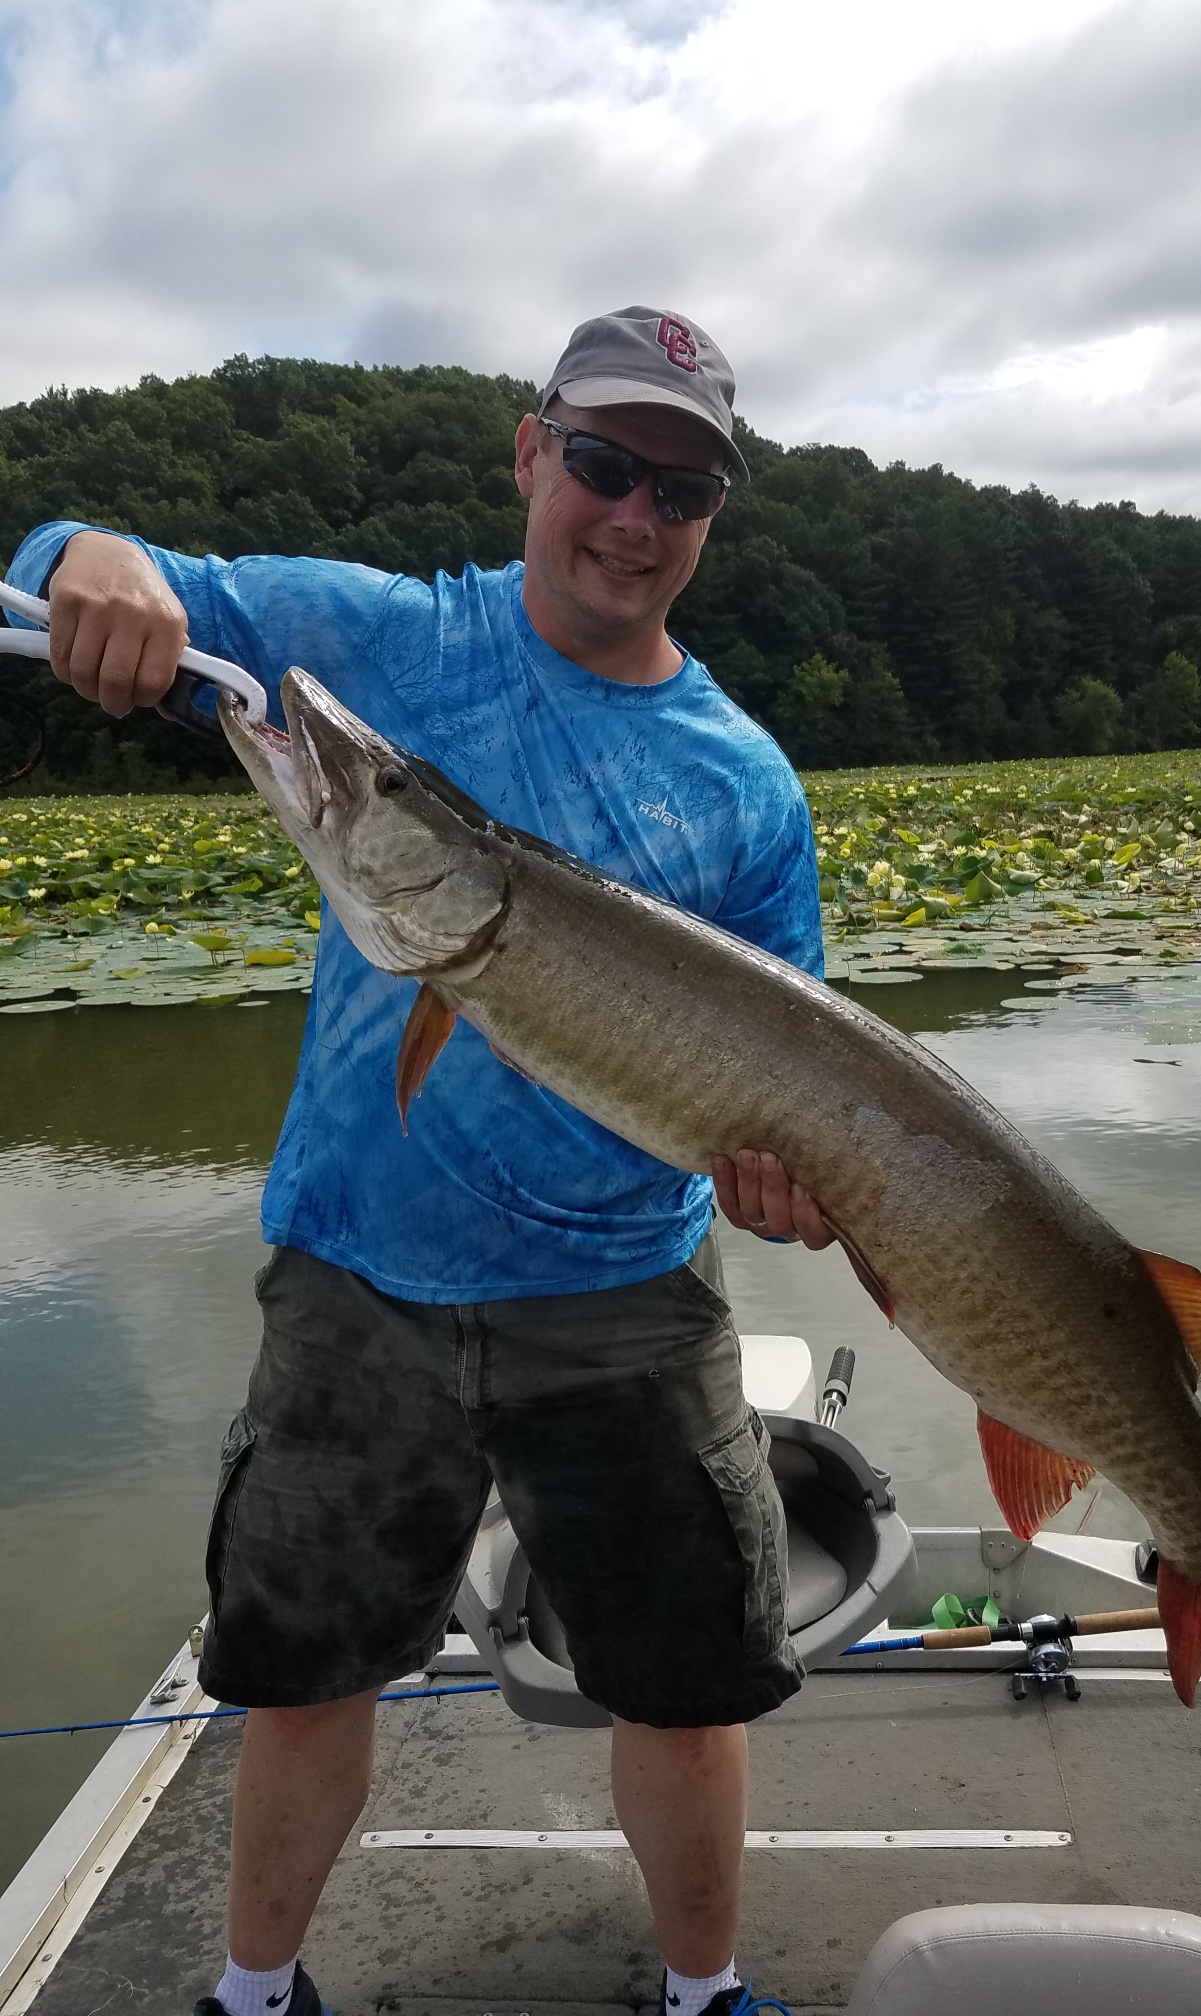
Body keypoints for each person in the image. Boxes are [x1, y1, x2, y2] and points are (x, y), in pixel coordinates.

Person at [7, 306, 835, 2016]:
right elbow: (92, 573)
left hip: (628, 1294)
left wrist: (792, 1181)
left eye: (679, 489)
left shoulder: (746, 783)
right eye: (603, 462)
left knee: (682, 1689)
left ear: (711, 521)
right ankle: (254, 1994)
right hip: (358, 1279)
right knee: (307, 1671)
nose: (633, 511)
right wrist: (81, 547)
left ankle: (704, 1995)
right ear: (531, 455)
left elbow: (796, 1073)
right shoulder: (377, 643)